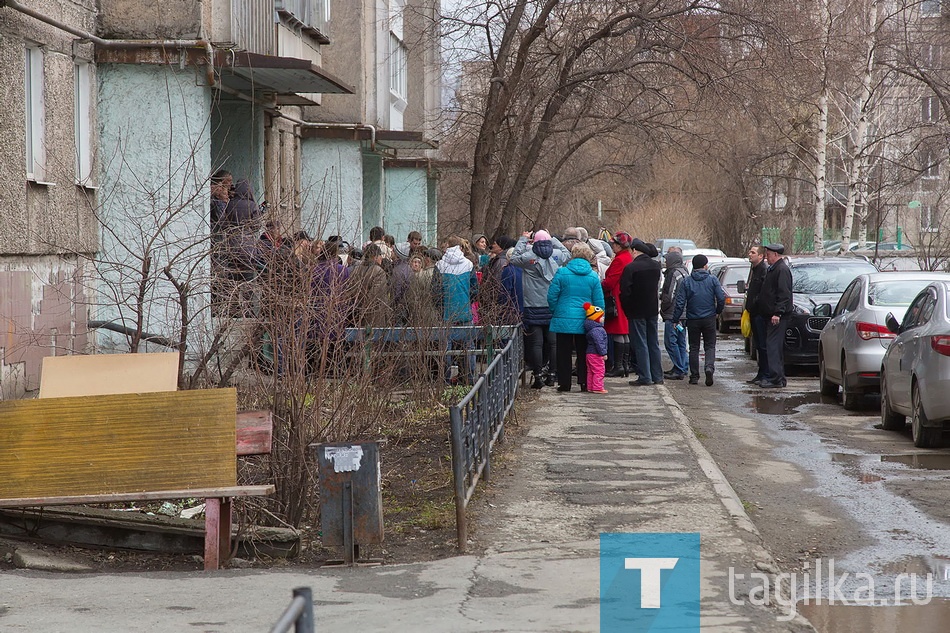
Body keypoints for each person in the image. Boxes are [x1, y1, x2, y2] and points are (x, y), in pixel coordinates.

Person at [511, 229, 570, 388]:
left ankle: (537, 377)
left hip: (532, 305)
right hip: (553, 305)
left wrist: (523, 239)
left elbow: (514, 258)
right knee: (553, 343)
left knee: (536, 344)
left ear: (534, 241)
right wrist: (554, 240)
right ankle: (552, 375)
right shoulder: (556, 255)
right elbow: (568, 253)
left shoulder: (529, 257)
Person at [547, 242, 605, 392]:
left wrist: (556, 311)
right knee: (584, 351)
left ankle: (564, 384)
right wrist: (598, 318)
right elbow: (599, 301)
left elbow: (552, 295)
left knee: (563, 352)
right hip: (586, 319)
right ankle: (584, 382)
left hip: (563, 317)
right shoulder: (593, 276)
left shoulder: (562, 272)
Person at [672, 254, 726, 386]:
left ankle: (694, 376)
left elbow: (680, 302)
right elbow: (721, 297)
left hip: (693, 319)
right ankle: (709, 367)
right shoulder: (712, 280)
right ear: (705, 265)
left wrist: (675, 319)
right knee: (709, 345)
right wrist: (717, 311)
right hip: (709, 318)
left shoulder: (687, 281)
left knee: (694, 348)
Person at [619, 239, 664, 386]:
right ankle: (657, 376)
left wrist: (627, 310)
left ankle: (645, 376)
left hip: (636, 311)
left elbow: (624, 292)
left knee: (640, 343)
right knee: (653, 343)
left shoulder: (631, 268)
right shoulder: (655, 266)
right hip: (652, 310)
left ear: (634, 251)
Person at [437, 238, 480, 383]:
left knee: (445, 348)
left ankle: (445, 378)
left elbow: (435, 292)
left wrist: (440, 308)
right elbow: (475, 289)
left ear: (447, 246)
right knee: (469, 346)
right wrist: (467, 300)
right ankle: (469, 377)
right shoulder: (468, 265)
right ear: (459, 247)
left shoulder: (440, 265)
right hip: (465, 311)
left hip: (447, 313)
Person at [758, 243, 793, 388]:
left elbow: (784, 293)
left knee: (773, 346)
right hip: (772, 314)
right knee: (774, 346)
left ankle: (776, 378)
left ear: (776, 255)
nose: (766, 257)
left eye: (768, 254)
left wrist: (778, 312)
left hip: (777, 316)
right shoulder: (775, 269)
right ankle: (778, 377)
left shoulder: (781, 270)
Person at [602, 231, 634, 377]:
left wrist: (599, 284)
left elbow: (610, 281)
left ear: (620, 245)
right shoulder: (628, 258)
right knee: (624, 331)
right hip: (624, 298)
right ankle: (624, 365)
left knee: (618, 331)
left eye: (614, 244)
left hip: (616, 298)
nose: (612, 246)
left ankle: (619, 366)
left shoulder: (620, 260)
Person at [660, 247, 689, 380]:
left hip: (673, 314)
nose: (666, 261)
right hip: (683, 313)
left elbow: (670, 295)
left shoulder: (674, 273)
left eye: (667, 259)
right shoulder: (685, 272)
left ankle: (678, 368)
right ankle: (683, 366)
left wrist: (663, 308)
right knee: (681, 341)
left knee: (671, 342)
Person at [347, 243, 391, 328]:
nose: (381, 257)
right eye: (380, 255)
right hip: (374, 315)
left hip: (357, 313)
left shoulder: (356, 270)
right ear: (375, 256)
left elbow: (352, 291)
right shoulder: (378, 271)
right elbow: (375, 295)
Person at [745, 245, 769, 384]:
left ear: (761, 256)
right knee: (758, 345)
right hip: (754, 313)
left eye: (753, 252)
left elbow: (763, 293)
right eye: (750, 252)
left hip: (760, 314)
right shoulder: (754, 270)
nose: (750, 254)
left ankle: (765, 374)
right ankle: (761, 373)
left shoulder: (763, 270)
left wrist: (754, 304)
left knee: (763, 345)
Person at [583, 303, 609, 394]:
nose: (603, 318)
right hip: (596, 353)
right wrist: (603, 353)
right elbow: (600, 343)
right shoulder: (598, 330)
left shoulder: (591, 329)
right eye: (601, 317)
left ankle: (590, 386)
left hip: (589, 353)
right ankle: (597, 387)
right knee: (599, 370)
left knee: (590, 371)